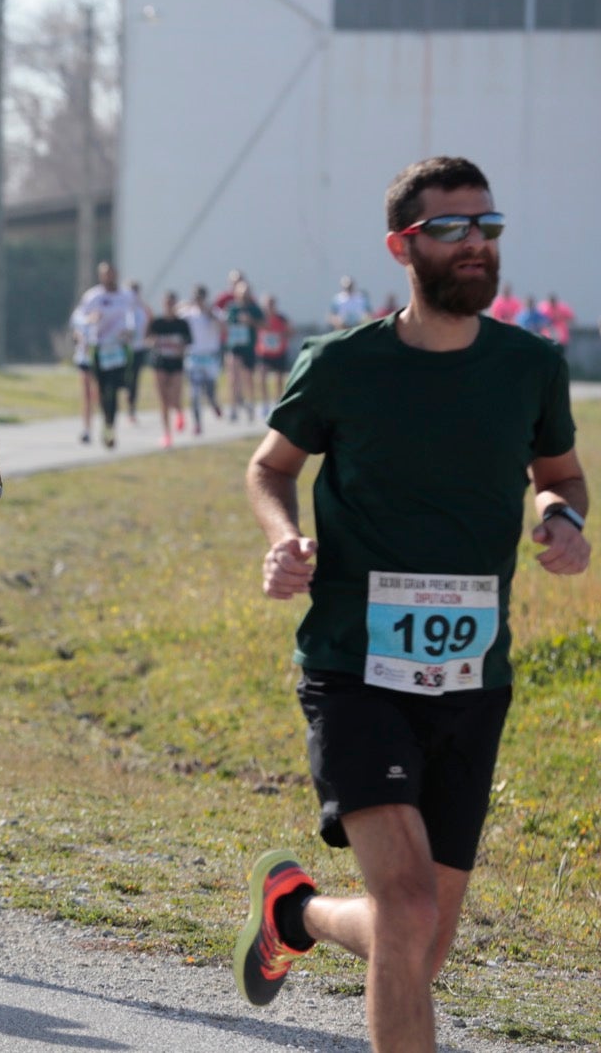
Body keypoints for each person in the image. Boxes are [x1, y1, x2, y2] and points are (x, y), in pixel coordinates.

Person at [238, 156, 589, 1052]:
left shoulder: (530, 366)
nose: (476, 243)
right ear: (403, 245)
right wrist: (285, 538)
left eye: (487, 226)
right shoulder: (346, 364)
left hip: (475, 678)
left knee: (420, 939)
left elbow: (558, 476)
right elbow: (271, 467)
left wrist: (564, 519)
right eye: (452, 228)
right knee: (407, 904)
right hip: (354, 666)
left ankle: (298, 913)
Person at [69, 261, 138, 448]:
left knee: (111, 391)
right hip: (96, 350)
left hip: (116, 350)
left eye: (111, 273)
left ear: (116, 274)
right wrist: (88, 321)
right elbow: (78, 318)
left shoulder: (126, 296)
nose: (108, 277)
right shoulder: (93, 296)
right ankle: (89, 428)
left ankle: (109, 427)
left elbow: (133, 318)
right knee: (94, 390)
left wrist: (129, 331)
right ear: (100, 276)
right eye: (105, 274)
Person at [146, 290, 191, 448]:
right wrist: (154, 342)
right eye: (167, 303)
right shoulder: (157, 323)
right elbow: (147, 339)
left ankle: (179, 412)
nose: (169, 306)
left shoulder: (182, 324)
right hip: (160, 362)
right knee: (163, 400)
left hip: (176, 364)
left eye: (172, 303)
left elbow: (188, 342)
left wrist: (181, 349)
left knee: (174, 397)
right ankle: (167, 434)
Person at [180, 284, 224, 435]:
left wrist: (210, 313)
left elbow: (223, 327)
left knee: (209, 390)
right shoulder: (188, 313)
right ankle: (197, 424)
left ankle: (214, 403)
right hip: (194, 357)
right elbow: (176, 316)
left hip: (210, 357)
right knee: (194, 392)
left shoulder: (214, 313)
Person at [222, 278, 263, 422]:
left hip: (248, 347)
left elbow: (264, 324)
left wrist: (250, 321)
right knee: (233, 377)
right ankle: (233, 408)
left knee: (248, 378)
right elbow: (225, 323)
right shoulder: (232, 307)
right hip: (234, 346)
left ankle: (250, 405)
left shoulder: (254, 308)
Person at [254, 293, 294, 418]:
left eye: (271, 304)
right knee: (261, 376)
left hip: (279, 352)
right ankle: (265, 403)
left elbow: (291, 331)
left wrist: (282, 336)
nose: (269, 307)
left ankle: (277, 402)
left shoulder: (281, 318)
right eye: (267, 304)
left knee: (278, 379)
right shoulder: (260, 318)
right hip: (264, 352)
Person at [124, 280, 153, 425]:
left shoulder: (143, 310)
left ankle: (131, 409)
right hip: (123, 350)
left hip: (138, 349)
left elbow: (150, 326)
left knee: (134, 380)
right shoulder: (122, 308)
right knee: (123, 379)